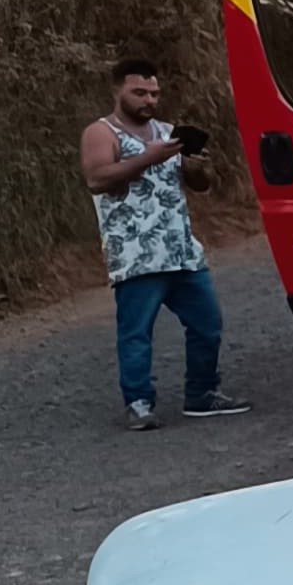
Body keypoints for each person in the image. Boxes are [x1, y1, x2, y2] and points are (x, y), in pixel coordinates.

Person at [81, 58, 247, 429]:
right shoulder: (101, 132)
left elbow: (200, 186)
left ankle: (202, 394)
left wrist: (195, 168)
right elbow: (96, 178)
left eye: (153, 93)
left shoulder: (169, 132)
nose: (148, 100)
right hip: (136, 254)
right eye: (139, 92)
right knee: (136, 332)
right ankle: (138, 402)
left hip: (181, 250)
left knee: (208, 324)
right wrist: (149, 156)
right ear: (117, 90)